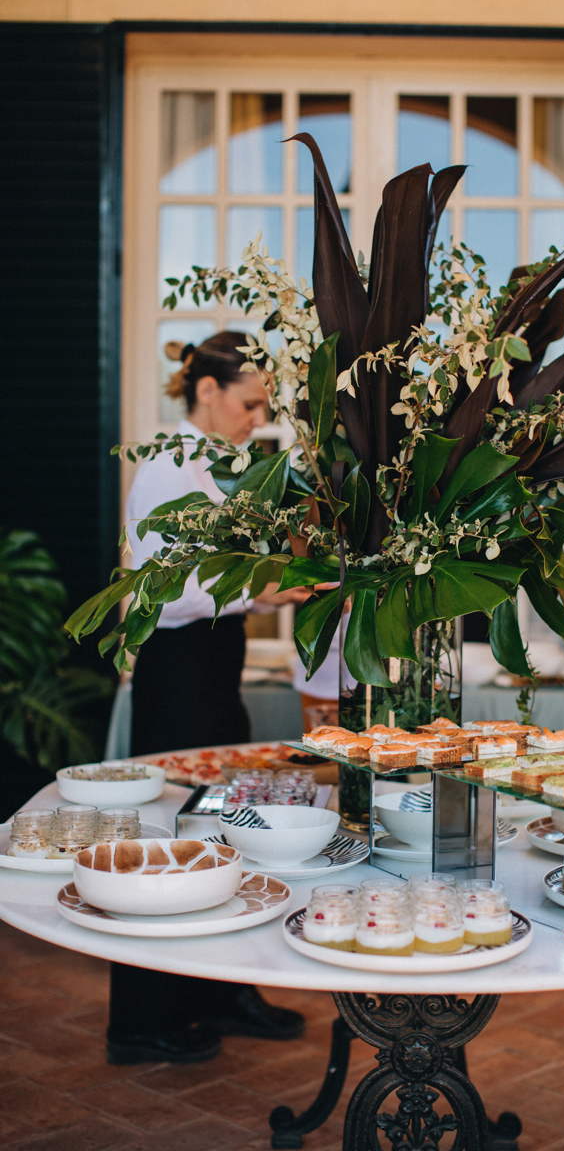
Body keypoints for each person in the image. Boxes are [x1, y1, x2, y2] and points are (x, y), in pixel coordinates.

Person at [108, 331, 310, 1065]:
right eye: (249, 404)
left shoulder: (233, 469)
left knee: (225, 832)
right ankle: (140, 1020)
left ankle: (221, 992)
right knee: (166, 837)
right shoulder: (167, 465)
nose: (258, 419)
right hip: (177, 675)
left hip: (217, 671)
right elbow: (162, 591)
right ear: (206, 391)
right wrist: (259, 590)